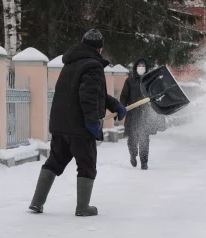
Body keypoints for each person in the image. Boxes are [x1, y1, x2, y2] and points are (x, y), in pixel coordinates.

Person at [28, 29, 127, 217]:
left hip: (60, 125)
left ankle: (36, 202)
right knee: (87, 165)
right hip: (80, 128)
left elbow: (92, 92)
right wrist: (90, 122)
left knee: (54, 162)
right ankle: (82, 208)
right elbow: (88, 96)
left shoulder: (71, 64)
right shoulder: (93, 66)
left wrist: (115, 105)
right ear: (99, 49)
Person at [120, 58, 166, 170]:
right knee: (132, 139)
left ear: (146, 68)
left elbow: (156, 94)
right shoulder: (129, 81)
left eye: (143, 65)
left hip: (144, 114)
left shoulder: (149, 81)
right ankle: (133, 155)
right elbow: (124, 96)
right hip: (132, 114)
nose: (141, 67)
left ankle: (144, 162)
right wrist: (121, 108)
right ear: (136, 67)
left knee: (144, 139)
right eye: (139, 65)